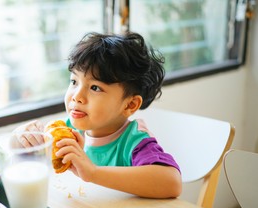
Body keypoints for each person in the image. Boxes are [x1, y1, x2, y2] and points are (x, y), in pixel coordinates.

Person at [14, 31, 182, 199]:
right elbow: (18, 157)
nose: (77, 96)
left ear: (130, 105)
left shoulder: (134, 142)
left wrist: (93, 173)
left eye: (95, 88)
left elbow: (172, 183)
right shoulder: (68, 130)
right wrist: (21, 137)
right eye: (74, 82)